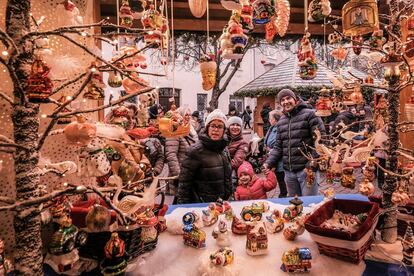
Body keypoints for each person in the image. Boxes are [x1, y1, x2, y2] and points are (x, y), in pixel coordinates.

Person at [263, 89, 325, 197]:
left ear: (295, 99)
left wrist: (311, 163)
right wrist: (269, 162)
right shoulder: (282, 121)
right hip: (289, 172)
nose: (286, 102)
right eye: (282, 100)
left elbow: (321, 140)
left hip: (306, 170)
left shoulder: (310, 115)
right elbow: (278, 146)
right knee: (295, 206)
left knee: (309, 205)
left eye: (288, 98)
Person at [177, 109, 232, 203]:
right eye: (213, 126)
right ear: (207, 128)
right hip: (202, 206)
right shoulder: (195, 151)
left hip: (222, 204)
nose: (215, 130)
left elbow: (228, 178)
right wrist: (183, 207)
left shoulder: (224, 150)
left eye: (220, 127)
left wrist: (230, 196)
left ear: (224, 130)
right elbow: (184, 184)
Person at [165, 106, 198, 199]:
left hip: (191, 174)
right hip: (181, 175)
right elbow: (171, 155)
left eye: (189, 115)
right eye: (185, 115)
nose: (188, 117)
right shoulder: (174, 131)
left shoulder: (191, 130)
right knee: (179, 202)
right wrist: (178, 176)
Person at [264, 110, 288, 198]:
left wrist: (271, 150)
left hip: (280, 159)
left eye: (270, 118)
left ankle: (283, 194)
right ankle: (283, 193)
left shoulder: (279, 129)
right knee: (279, 178)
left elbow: (278, 144)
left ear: (275, 119)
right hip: (273, 157)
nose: (269, 120)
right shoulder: (272, 128)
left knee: (281, 178)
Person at [227, 116, 249, 188]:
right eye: (233, 124)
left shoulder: (243, 143)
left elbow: (236, 162)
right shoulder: (224, 140)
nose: (235, 127)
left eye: (238, 125)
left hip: (233, 176)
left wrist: (220, 167)